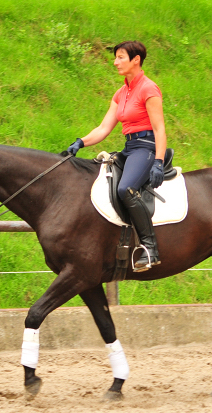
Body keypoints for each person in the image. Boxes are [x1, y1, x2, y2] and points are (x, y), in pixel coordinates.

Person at [66, 40, 166, 271]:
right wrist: (80, 142)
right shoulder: (121, 93)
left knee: (125, 189)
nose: (115, 62)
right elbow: (104, 128)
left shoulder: (148, 89)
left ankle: (150, 248)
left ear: (136, 60)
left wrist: (158, 161)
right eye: (116, 57)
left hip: (146, 147)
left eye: (121, 57)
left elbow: (160, 129)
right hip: (129, 148)